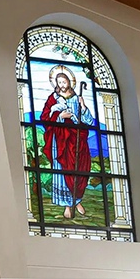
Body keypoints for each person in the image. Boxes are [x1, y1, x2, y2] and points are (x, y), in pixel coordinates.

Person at [40, 67, 94, 220]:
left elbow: (88, 121)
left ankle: (77, 201)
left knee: (79, 168)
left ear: (70, 82)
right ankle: (67, 205)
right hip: (61, 141)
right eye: (59, 82)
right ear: (55, 83)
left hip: (77, 140)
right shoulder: (53, 99)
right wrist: (60, 116)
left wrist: (83, 107)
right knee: (64, 170)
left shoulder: (77, 98)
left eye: (64, 81)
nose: (62, 85)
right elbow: (44, 118)